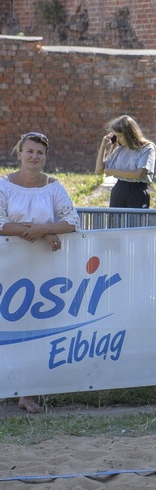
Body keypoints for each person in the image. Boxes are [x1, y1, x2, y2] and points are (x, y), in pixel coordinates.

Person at [1, 132, 79, 413]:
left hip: (45, 268)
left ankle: (28, 392)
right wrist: (39, 231)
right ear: (19, 153)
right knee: (7, 325)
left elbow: (71, 221)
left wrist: (45, 230)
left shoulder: (53, 186)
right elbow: (0, 223)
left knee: (38, 327)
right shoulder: (4, 185)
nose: (35, 156)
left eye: (40, 153)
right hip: (7, 266)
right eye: (30, 151)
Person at [94, 115, 156, 208]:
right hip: (119, 189)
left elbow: (138, 174)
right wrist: (103, 146)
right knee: (116, 222)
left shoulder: (147, 148)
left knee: (136, 222)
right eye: (116, 136)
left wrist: (113, 172)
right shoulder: (120, 149)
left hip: (137, 191)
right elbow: (99, 170)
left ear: (129, 134)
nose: (118, 139)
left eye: (120, 136)